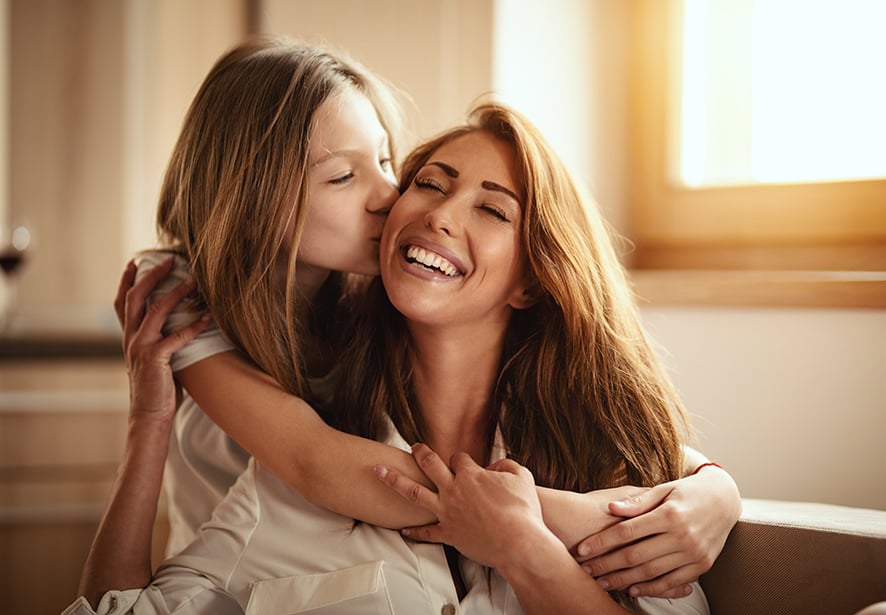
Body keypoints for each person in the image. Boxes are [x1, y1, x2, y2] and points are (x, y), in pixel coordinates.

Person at [79, 33, 737, 604]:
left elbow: (597, 418)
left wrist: (712, 488)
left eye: (389, 162)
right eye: (344, 177)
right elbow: (316, 463)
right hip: (240, 579)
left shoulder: (375, 297)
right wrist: (568, 515)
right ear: (257, 199)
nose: (391, 194)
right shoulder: (181, 292)